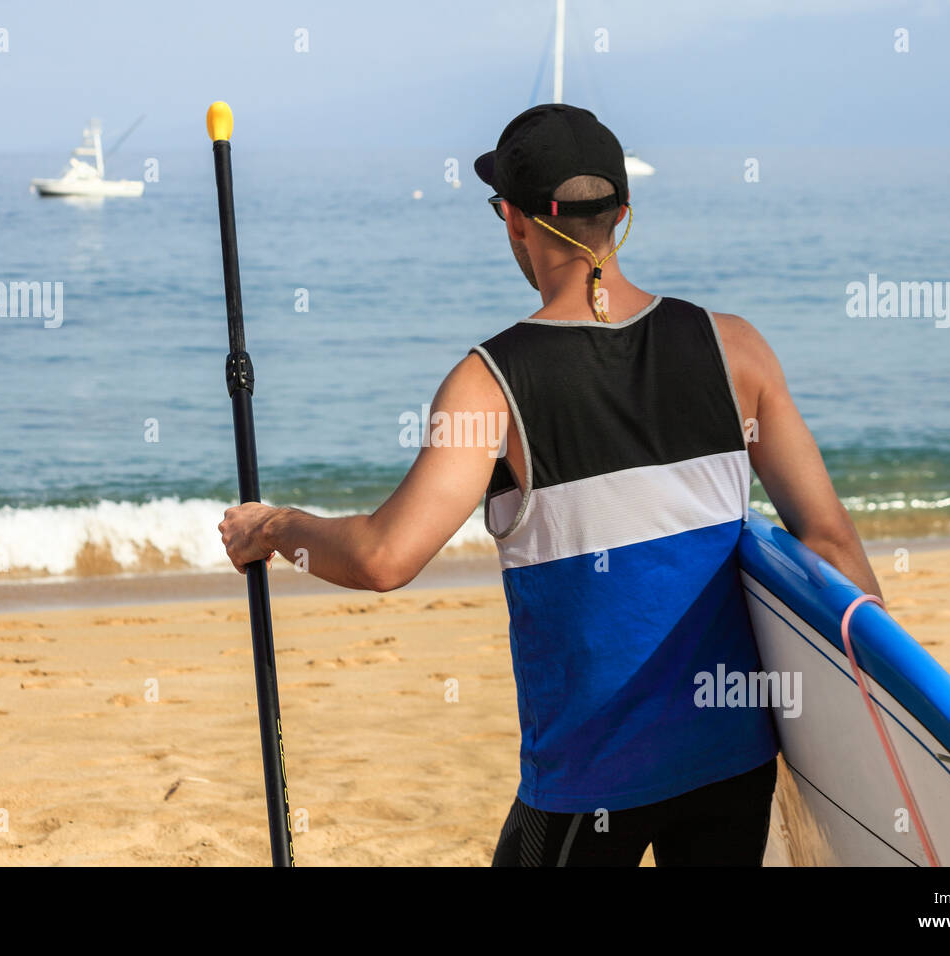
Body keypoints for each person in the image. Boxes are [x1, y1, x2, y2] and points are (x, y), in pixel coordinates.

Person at [218, 104, 882, 866]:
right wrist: (893, 721)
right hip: (732, 762)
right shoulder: (736, 350)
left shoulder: (488, 388)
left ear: (514, 221)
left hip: (590, 777)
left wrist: (272, 529)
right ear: (622, 216)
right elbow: (828, 540)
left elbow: (382, 559)